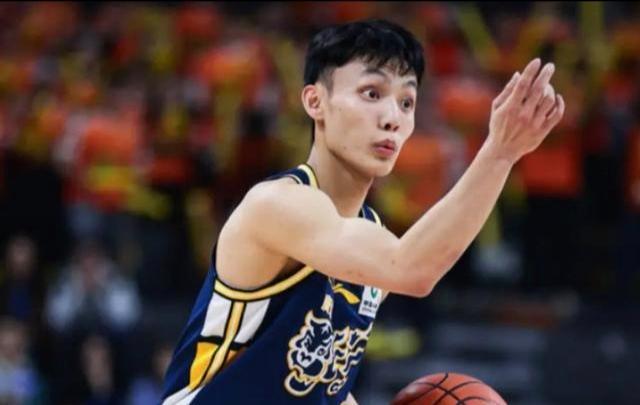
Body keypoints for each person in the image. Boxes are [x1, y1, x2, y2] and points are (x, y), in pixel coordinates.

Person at [162, 19, 564, 404]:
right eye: (372, 94)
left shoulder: (369, 235)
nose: (392, 118)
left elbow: (324, 390)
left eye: (406, 102)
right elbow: (412, 270)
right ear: (315, 101)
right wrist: (499, 153)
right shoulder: (278, 204)